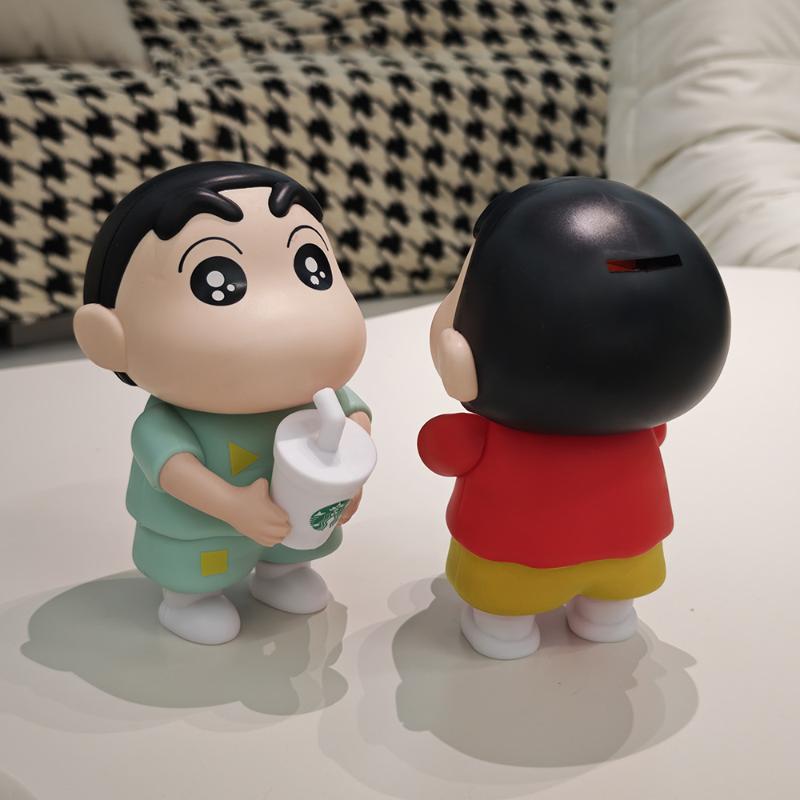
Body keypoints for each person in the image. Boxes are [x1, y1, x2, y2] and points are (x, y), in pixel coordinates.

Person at [418, 177, 730, 659]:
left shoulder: (497, 429)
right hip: (629, 551)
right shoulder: (642, 426)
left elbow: (441, 450)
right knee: (615, 592)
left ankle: (503, 631)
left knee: (504, 599)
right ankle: (607, 617)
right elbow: (660, 434)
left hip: (514, 561)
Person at [74, 162, 371, 645]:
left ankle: (280, 574)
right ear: (109, 339)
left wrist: (349, 474)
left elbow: (353, 418)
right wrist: (231, 505)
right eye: (217, 282)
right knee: (198, 563)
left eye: (312, 269)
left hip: (295, 518)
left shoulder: (315, 396)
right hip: (204, 528)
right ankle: (186, 601)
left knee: (292, 546)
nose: (288, 316)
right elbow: (173, 468)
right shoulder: (169, 420)